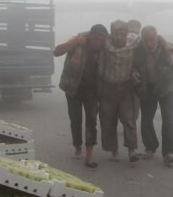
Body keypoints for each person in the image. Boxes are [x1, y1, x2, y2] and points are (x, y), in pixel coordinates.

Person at [132, 25, 173, 164]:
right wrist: (133, 71)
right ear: (142, 39)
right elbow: (132, 64)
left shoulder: (168, 47)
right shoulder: (137, 49)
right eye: (146, 40)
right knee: (146, 119)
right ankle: (150, 147)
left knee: (168, 119)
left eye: (152, 40)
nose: (149, 43)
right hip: (147, 88)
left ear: (157, 37)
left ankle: (168, 152)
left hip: (166, 88)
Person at [54, 24, 108, 168]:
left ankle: (89, 156)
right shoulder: (78, 42)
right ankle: (77, 146)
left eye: (101, 40)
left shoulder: (105, 48)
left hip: (92, 90)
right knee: (75, 118)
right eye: (96, 39)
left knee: (91, 120)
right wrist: (74, 42)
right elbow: (57, 52)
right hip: (73, 87)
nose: (98, 43)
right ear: (90, 37)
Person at [97, 20, 142, 162]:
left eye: (123, 32)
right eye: (117, 33)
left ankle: (131, 151)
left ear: (127, 33)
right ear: (112, 33)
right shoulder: (105, 42)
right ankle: (114, 150)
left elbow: (153, 37)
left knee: (129, 120)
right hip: (107, 87)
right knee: (108, 121)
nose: (120, 36)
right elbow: (89, 35)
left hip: (126, 87)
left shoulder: (134, 40)